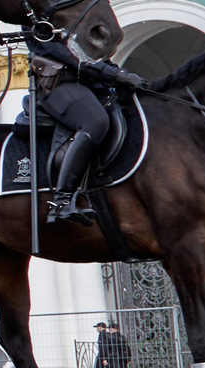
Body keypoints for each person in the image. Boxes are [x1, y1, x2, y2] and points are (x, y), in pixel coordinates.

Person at [29, 35, 146, 226]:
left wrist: (118, 73)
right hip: (60, 83)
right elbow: (71, 55)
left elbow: (92, 52)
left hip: (92, 84)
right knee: (95, 121)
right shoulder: (39, 18)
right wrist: (114, 74)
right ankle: (62, 200)